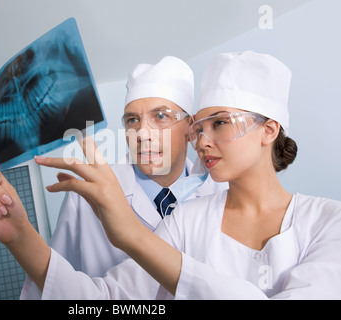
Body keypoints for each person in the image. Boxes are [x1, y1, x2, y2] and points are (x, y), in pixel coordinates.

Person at [0, 51, 341, 300]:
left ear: (269, 129)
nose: (205, 140)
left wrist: (131, 235)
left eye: (221, 124)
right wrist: (20, 235)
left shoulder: (330, 222)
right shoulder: (186, 221)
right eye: (132, 119)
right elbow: (106, 300)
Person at [49, 56, 225, 278]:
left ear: (191, 128)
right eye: (132, 120)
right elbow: (57, 284)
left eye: (161, 116)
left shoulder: (221, 193)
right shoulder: (85, 195)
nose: (141, 133)